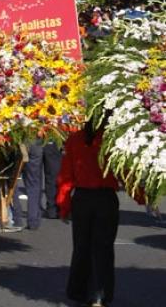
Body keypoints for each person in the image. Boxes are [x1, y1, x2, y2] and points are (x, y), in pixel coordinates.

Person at [56, 121, 122, 307]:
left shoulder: (75, 139)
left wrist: (63, 205)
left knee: (82, 246)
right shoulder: (113, 139)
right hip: (106, 198)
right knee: (103, 248)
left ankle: (80, 291)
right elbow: (125, 172)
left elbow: (66, 175)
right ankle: (99, 294)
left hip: (82, 198)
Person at [21, 139, 62, 228]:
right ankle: (53, 210)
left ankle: (33, 218)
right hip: (52, 138)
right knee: (53, 177)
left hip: (33, 140)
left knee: (33, 182)